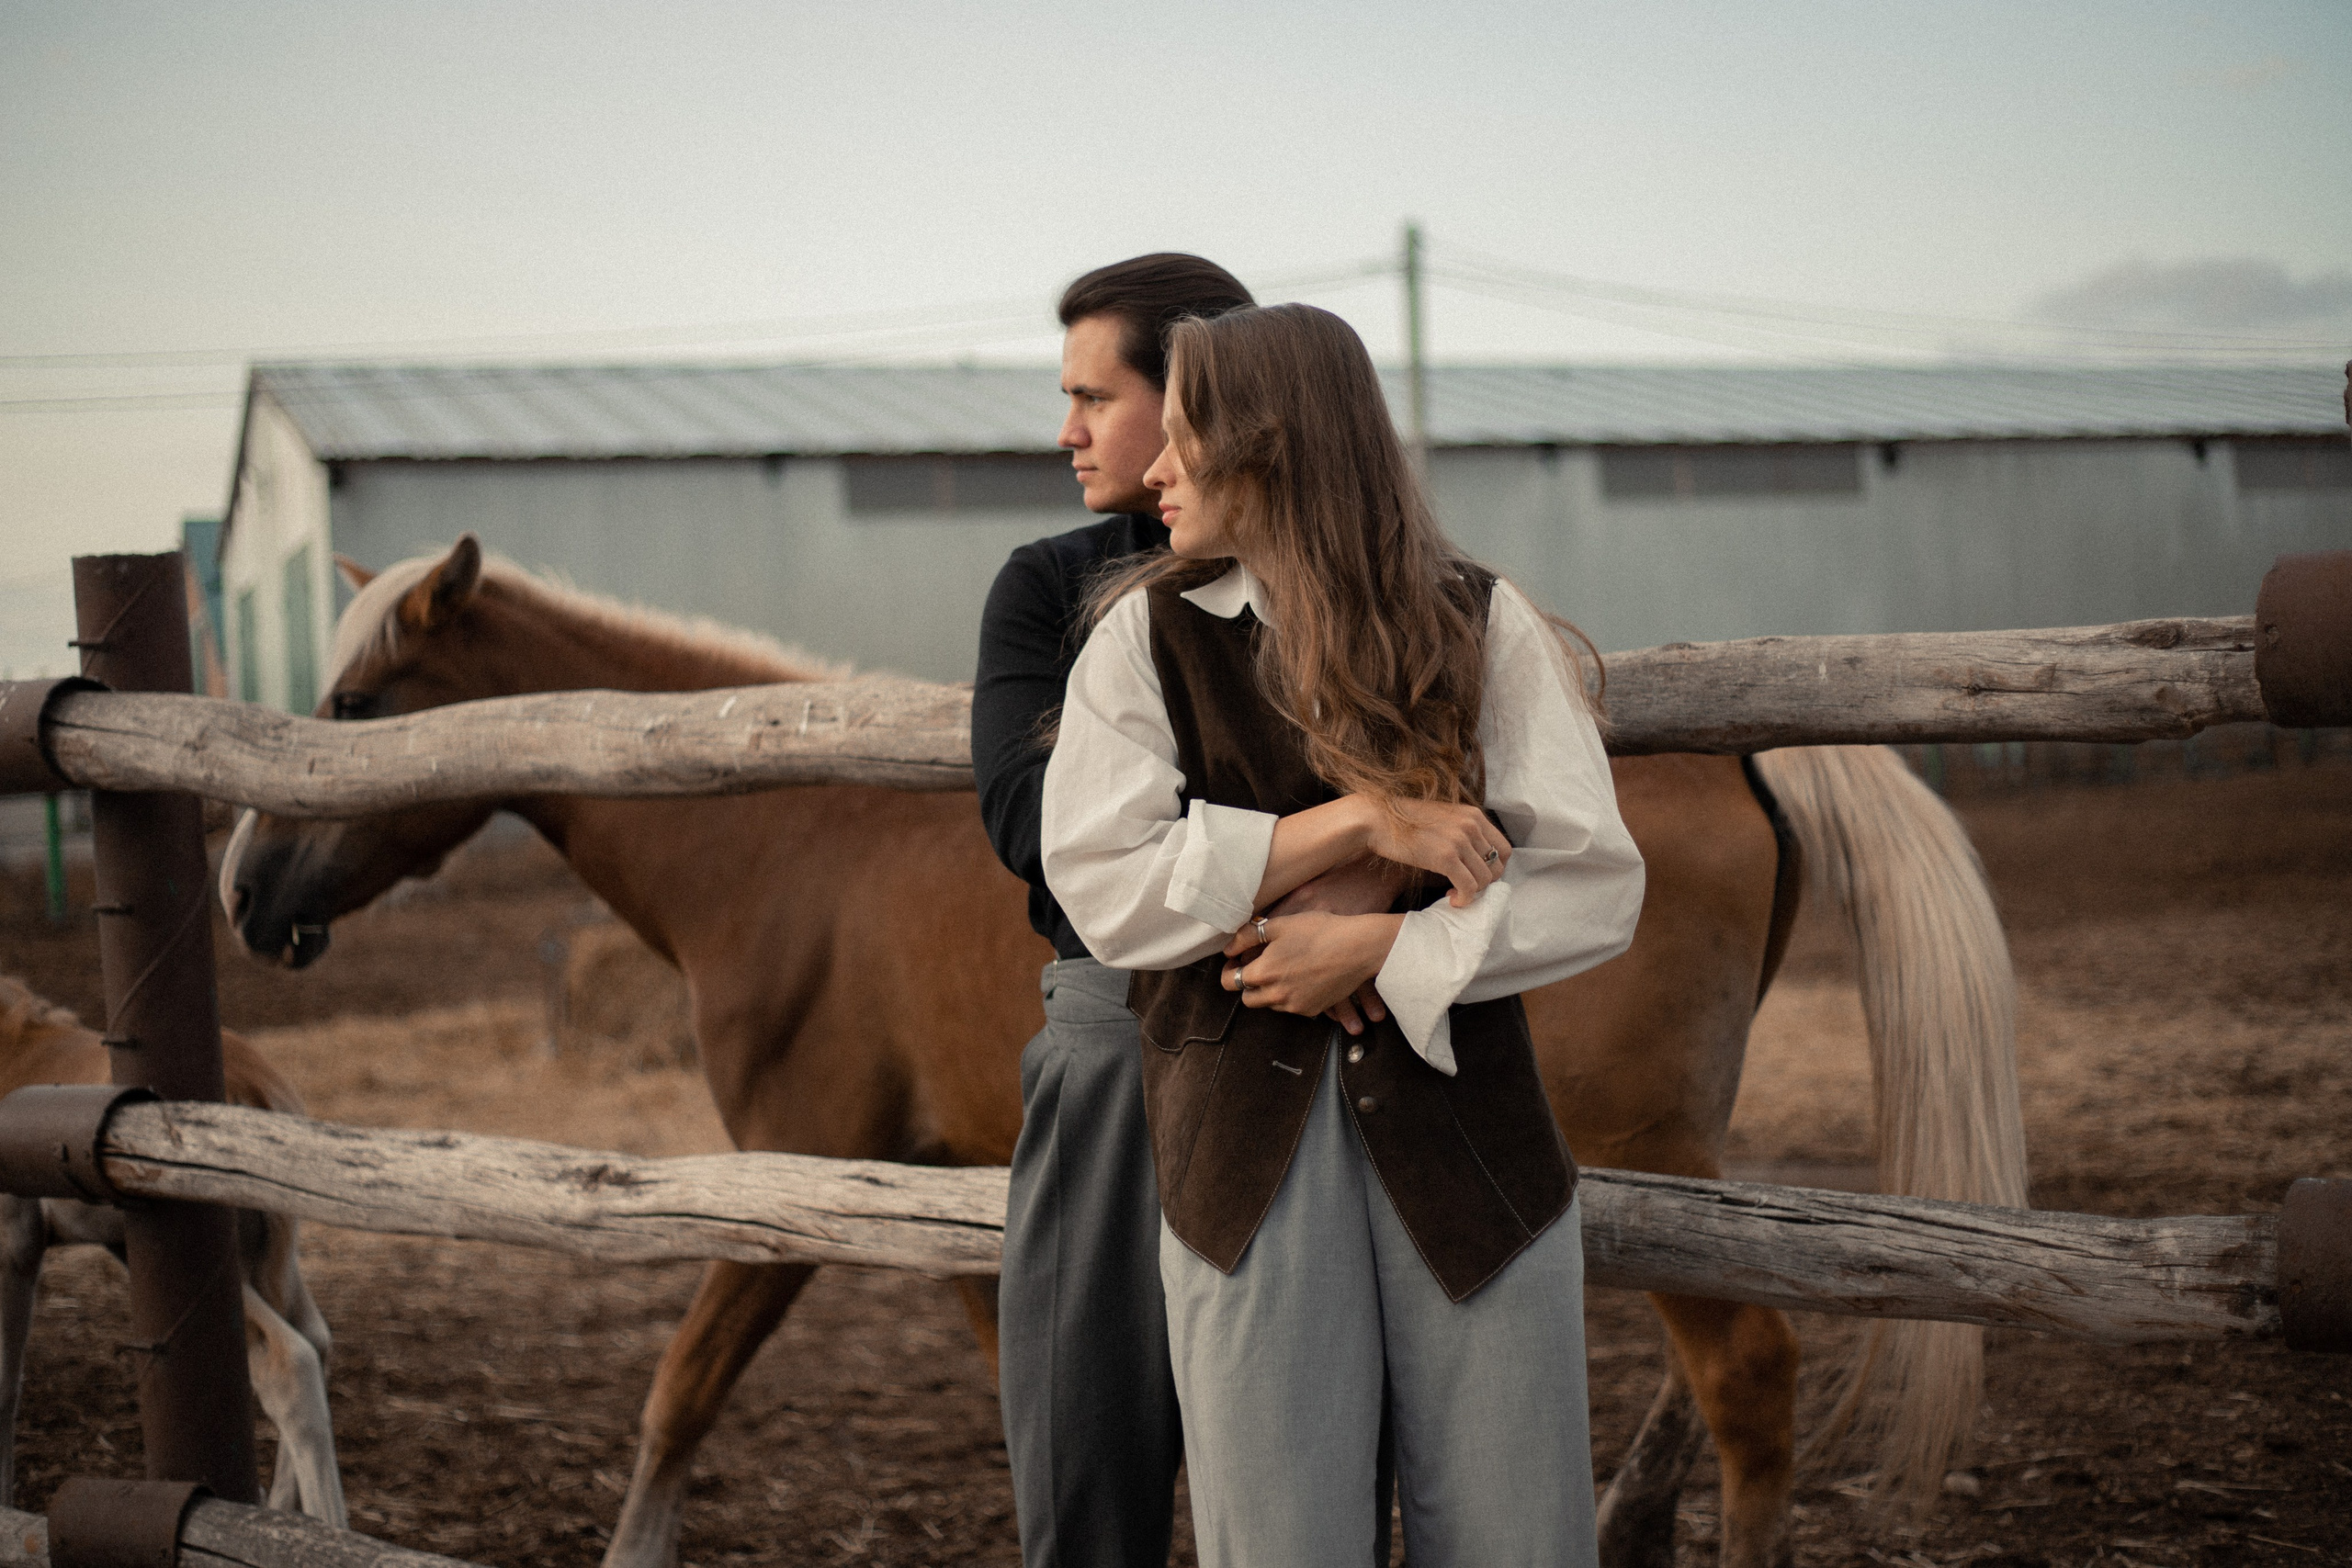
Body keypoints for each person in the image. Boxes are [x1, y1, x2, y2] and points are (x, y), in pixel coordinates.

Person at [1039, 303, 1645, 1567]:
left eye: (1186, 436)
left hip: (1477, 1153)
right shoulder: (1143, 638)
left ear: (1273, 446)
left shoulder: (1478, 622)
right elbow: (1104, 882)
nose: (1155, 469)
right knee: (1281, 1542)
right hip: (1236, 1171)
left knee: (1516, 1536)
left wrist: (1385, 952)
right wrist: (1364, 823)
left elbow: (1593, 881)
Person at [974, 254, 1255, 1568]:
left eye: (1095, 396)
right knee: (1087, 1468)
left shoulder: (1320, 585)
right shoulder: (1051, 586)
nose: (1067, 430)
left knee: (1302, 1486)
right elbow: (1036, 830)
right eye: (1068, 396)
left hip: (1312, 1021)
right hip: (1120, 1034)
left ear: (1195, 395)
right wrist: (1313, 850)